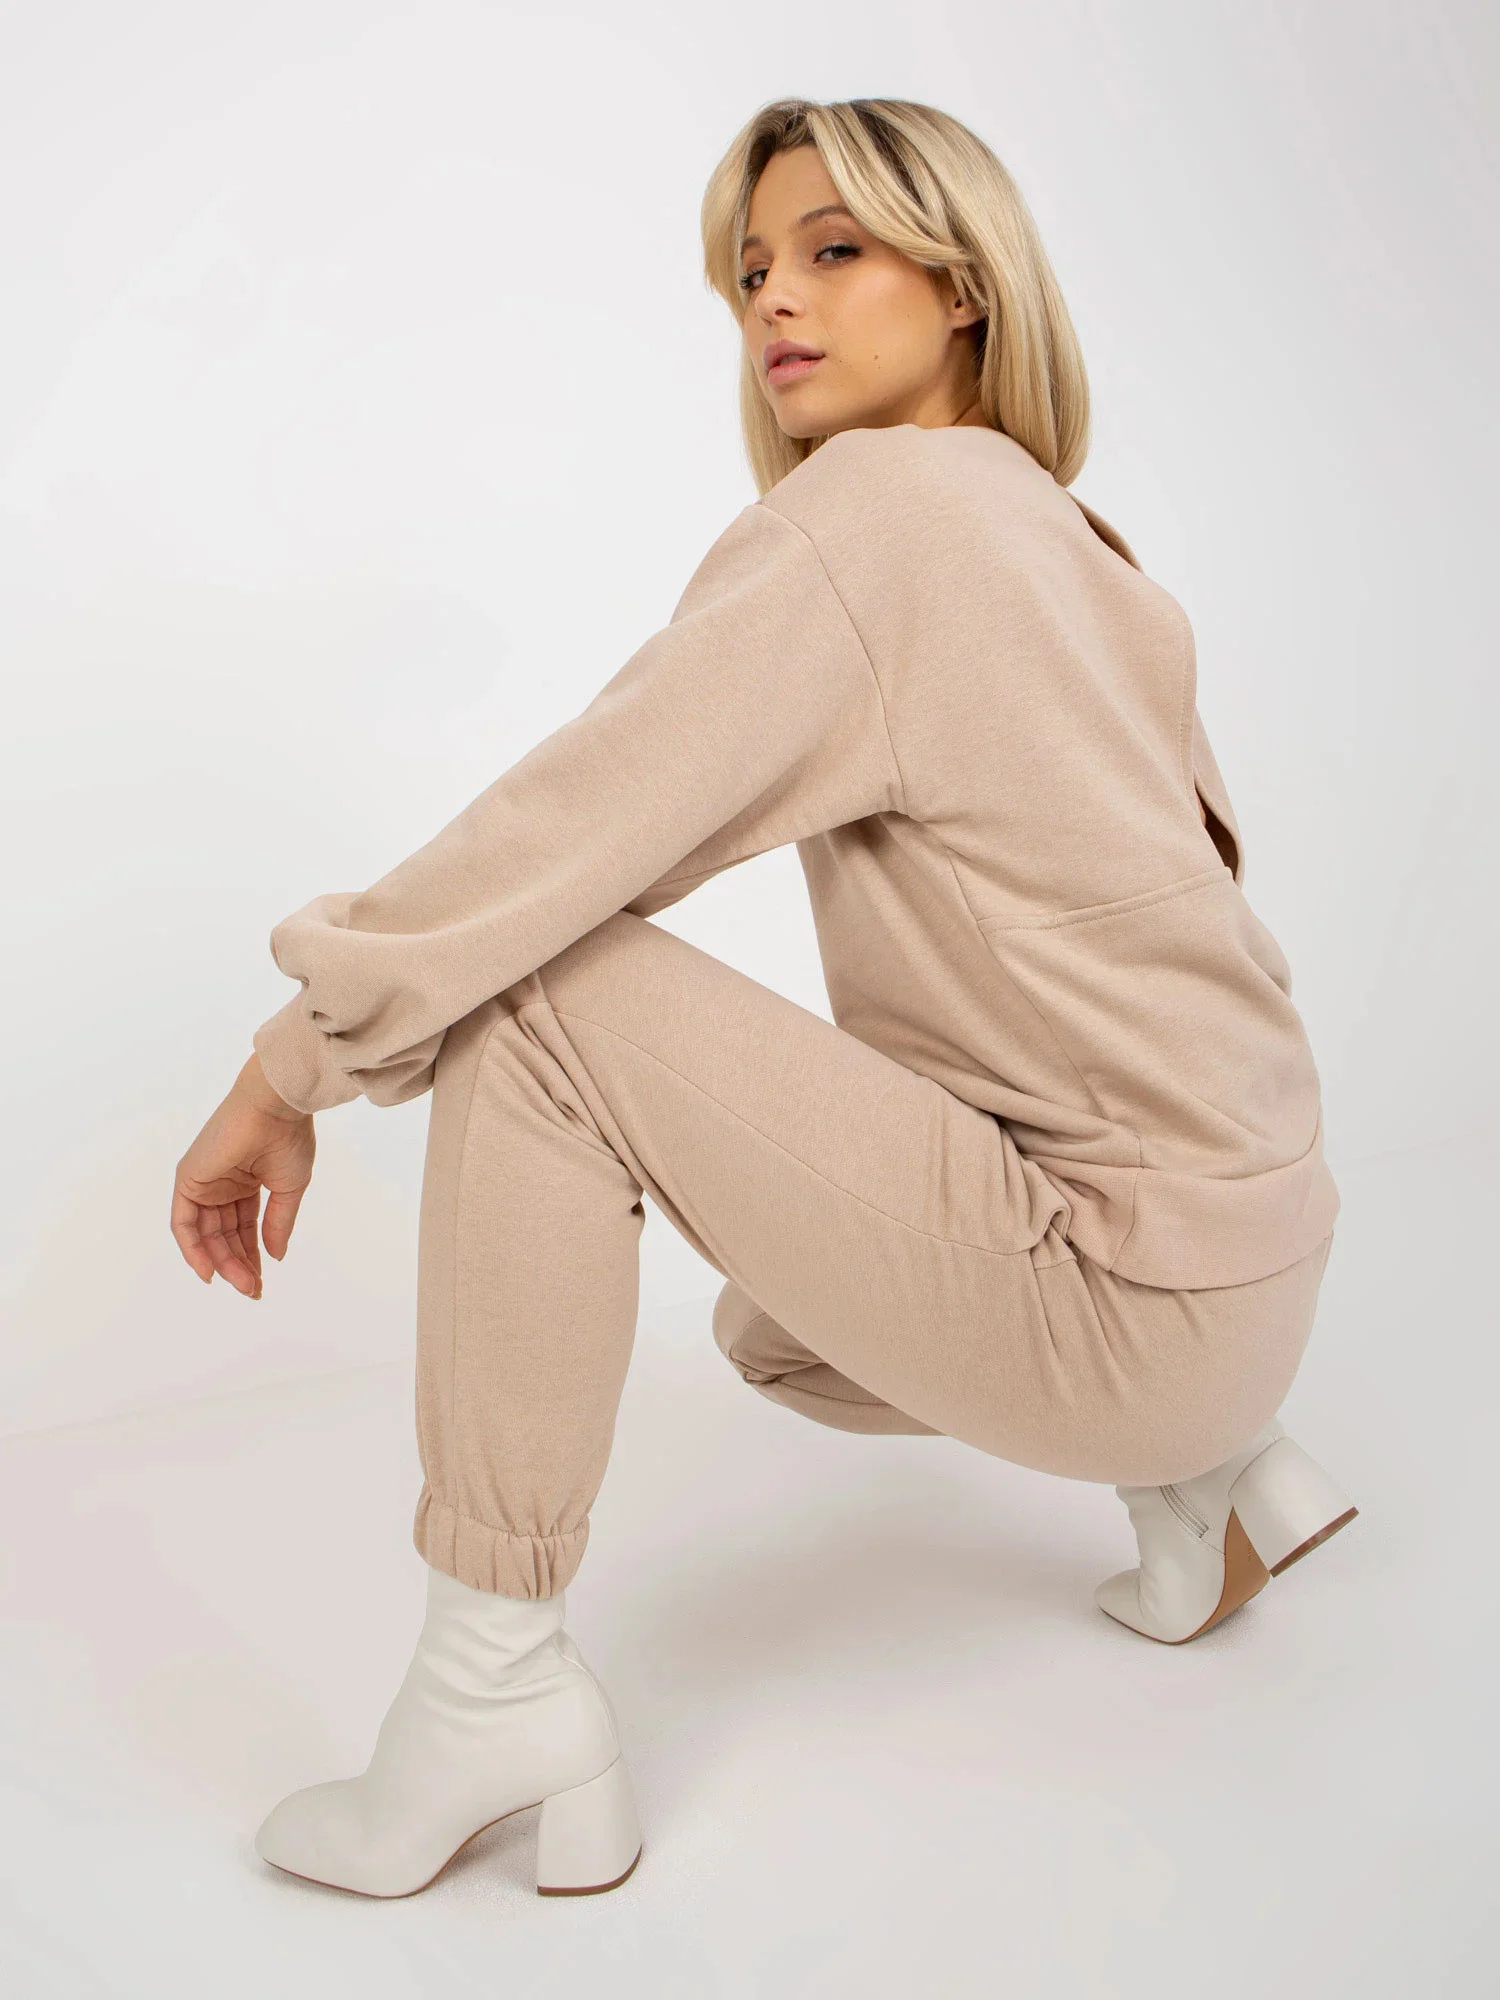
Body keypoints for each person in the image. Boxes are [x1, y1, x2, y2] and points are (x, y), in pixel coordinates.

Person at [170, 96, 1357, 1902]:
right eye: (747, 272)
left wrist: (288, 1067)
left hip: (1123, 1294)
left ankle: (488, 1688)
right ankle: (1207, 1478)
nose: (771, 303)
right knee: (771, 1331)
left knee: (539, 998)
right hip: (1259, 1270)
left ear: (964, 283)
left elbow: (573, 834)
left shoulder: (875, 518)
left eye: (833, 249)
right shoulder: (1067, 534)